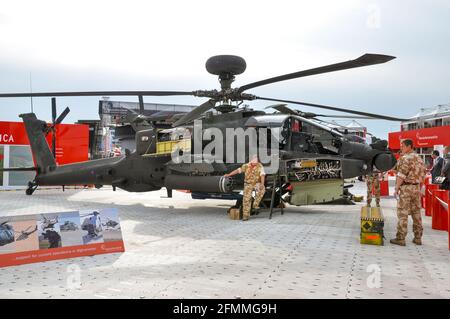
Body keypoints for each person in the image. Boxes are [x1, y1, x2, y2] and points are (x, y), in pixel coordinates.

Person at [391, 139, 427, 246]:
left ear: (409, 146)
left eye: (402, 146)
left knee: (403, 213)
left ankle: (400, 238)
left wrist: (396, 188)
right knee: (416, 213)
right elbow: (423, 174)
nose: (401, 148)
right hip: (416, 188)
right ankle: (418, 238)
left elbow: (401, 175)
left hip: (406, 188)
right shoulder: (419, 158)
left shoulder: (405, 158)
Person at [224, 155, 266, 221]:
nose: (255, 161)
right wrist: (229, 175)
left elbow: (262, 175)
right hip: (248, 184)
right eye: (254, 159)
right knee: (246, 199)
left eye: (256, 159)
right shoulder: (246, 166)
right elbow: (237, 171)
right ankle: (245, 216)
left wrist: (262, 184)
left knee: (262, 189)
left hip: (256, 183)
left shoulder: (260, 166)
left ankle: (255, 204)